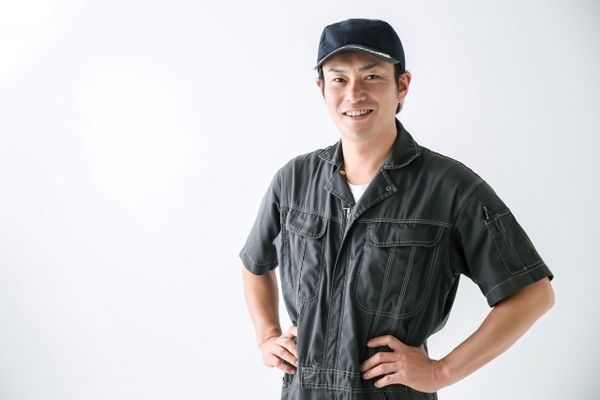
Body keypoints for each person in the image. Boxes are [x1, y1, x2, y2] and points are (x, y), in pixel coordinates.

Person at [239, 18, 555, 400]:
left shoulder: (449, 188)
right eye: (338, 79)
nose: (353, 94)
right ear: (321, 88)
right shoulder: (293, 181)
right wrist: (267, 337)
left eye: (371, 76)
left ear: (402, 86)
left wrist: (441, 371)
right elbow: (254, 263)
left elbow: (533, 294)